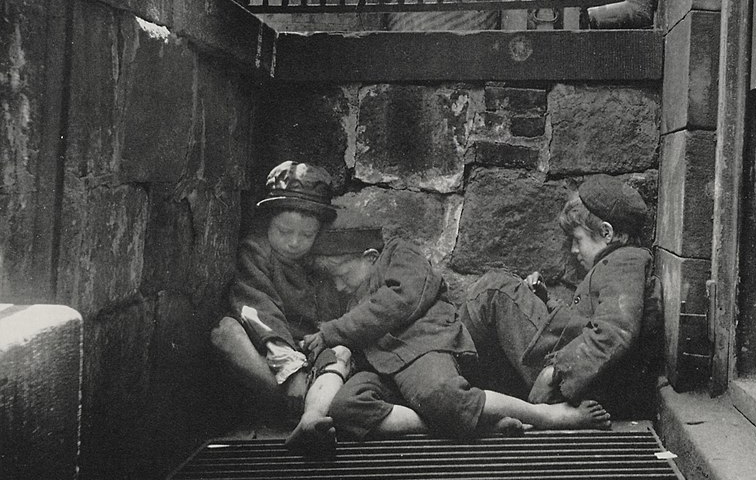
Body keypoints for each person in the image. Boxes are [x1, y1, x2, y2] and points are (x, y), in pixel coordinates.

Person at [306, 211, 613, 442]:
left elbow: (402, 299)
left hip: (420, 346)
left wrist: (334, 331)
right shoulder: (346, 303)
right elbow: (338, 349)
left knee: (442, 395)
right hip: (383, 370)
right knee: (346, 409)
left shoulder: (399, 254)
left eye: (342, 274)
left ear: (370, 257)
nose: (339, 284)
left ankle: (548, 415)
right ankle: (476, 422)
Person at [460, 174, 662, 420]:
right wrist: (545, 300)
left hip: (578, 383)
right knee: (503, 290)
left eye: (578, 240)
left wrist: (555, 372)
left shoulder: (625, 262)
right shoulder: (619, 264)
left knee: (495, 291)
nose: (574, 250)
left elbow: (615, 332)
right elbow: (585, 322)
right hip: (584, 378)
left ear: (607, 232)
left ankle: (449, 386)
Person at [210, 160, 351, 454]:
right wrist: (291, 372)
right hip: (268, 358)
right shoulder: (256, 251)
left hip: (307, 361)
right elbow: (259, 310)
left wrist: (314, 357)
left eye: (306, 235)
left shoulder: (319, 266)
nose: (294, 243)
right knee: (225, 332)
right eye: (284, 232)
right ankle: (291, 407)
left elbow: (327, 324)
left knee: (342, 353)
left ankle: (311, 413)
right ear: (268, 223)